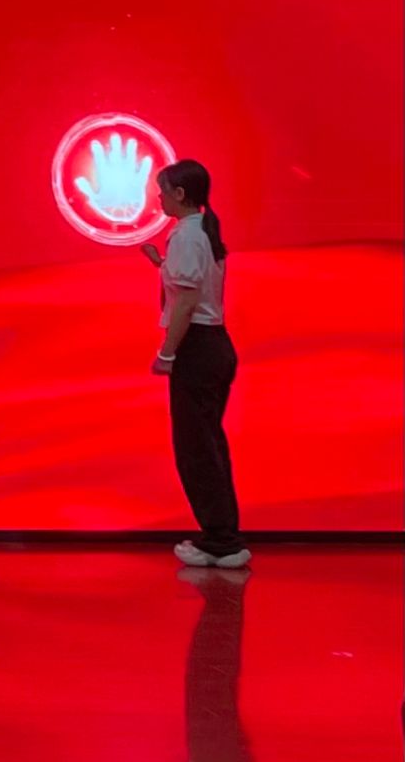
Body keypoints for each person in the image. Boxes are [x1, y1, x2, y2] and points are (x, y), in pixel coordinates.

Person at [140, 159, 248, 569]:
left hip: (198, 348)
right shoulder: (200, 231)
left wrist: (167, 353)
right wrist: (159, 263)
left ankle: (221, 540)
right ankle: (222, 535)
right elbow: (190, 285)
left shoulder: (187, 235)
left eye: (163, 190)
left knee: (196, 449)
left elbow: (186, 302)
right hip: (212, 345)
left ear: (180, 194)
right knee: (207, 444)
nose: (159, 197)